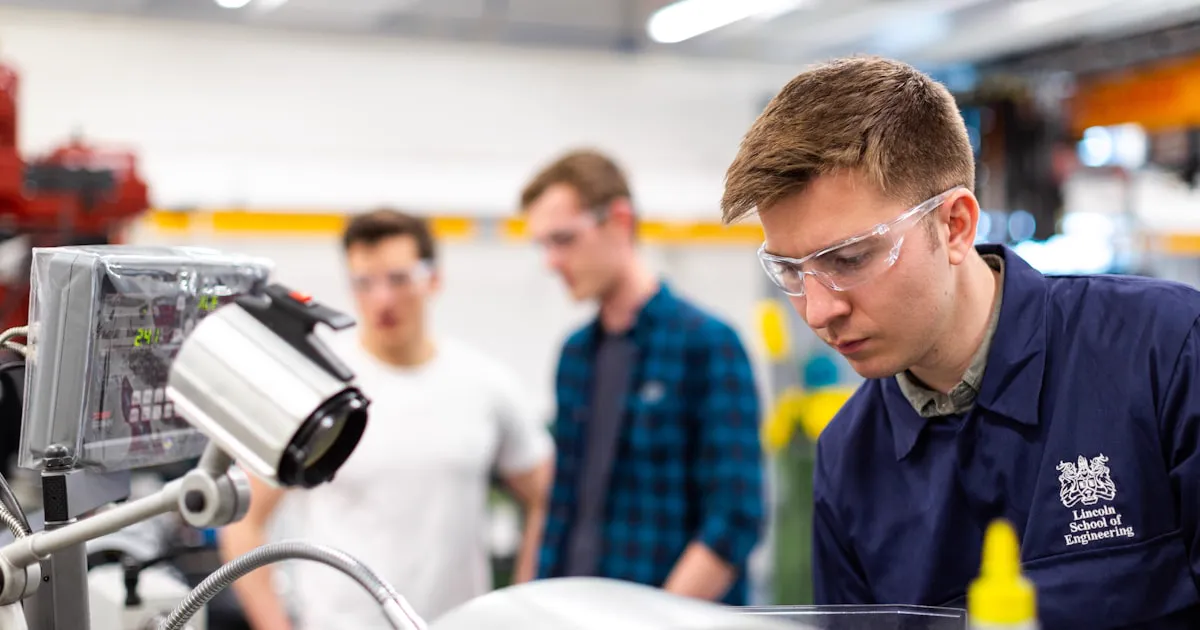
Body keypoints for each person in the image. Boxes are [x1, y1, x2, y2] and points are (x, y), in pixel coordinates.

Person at [720, 55, 1200, 629]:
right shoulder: (849, 459)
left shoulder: (1167, 353)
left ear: (955, 226)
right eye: (792, 272)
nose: (820, 311)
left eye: (849, 259)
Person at [219, 209, 555, 630]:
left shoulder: (486, 386)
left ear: (434, 279)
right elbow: (243, 523)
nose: (382, 298)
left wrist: (520, 607)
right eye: (364, 282)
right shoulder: (314, 388)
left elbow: (546, 495)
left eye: (399, 279)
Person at [518, 149, 766, 605]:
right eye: (544, 245)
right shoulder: (575, 356)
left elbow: (735, 519)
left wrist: (653, 620)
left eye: (563, 240)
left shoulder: (707, 345)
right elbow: (562, 509)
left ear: (618, 220)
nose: (552, 261)